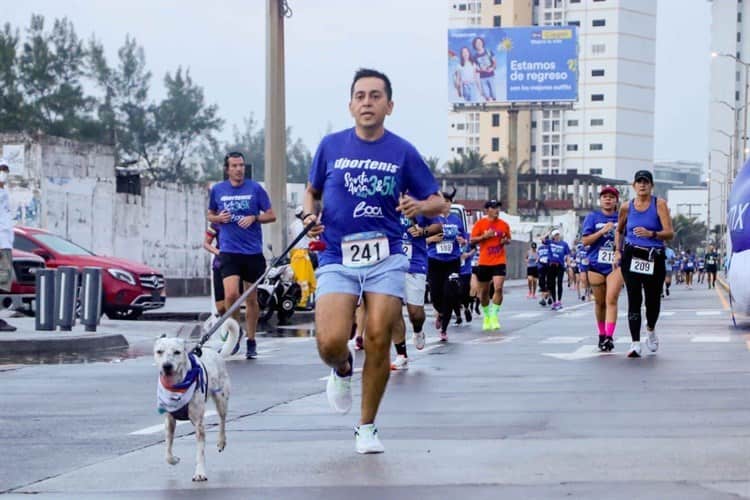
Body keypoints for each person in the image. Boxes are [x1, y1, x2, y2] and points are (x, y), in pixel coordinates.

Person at [303, 68, 444, 454]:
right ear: (350, 105)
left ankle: (367, 427)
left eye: (376, 96)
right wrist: (308, 216)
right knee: (330, 342)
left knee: (380, 335)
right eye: (361, 96)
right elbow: (311, 191)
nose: (367, 102)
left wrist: (420, 204)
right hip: (337, 254)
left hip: (386, 256)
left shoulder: (402, 151)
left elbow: (439, 201)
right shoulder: (331, 146)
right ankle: (343, 368)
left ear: (389, 105)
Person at [207, 151, 277, 360]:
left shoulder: (255, 189)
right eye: (234, 166)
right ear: (227, 169)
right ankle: (234, 335)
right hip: (229, 250)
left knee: (251, 299)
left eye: (241, 165)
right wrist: (219, 218)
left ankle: (252, 339)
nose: (239, 169)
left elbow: (271, 215)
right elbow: (210, 214)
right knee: (231, 296)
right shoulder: (218, 190)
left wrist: (255, 217)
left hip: (252, 252)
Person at [614, 170, 674, 358]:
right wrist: (617, 250)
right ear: (634, 186)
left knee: (652, 300)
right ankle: (634, 343)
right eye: (639, 182)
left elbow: (669, 233)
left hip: (653, 256)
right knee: (634, 298)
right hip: (632, 255)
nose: (642, 185)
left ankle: (650, 329)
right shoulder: (626, 207)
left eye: (645, 182)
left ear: (651, 185)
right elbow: (619, 230)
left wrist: (652, 234)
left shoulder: (659, 204)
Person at [390, 211, 441, 370]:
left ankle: (418, 330)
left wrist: (422, 231)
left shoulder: (418, 204)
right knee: (393, 311)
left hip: (415, 264)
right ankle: (401, 354)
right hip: (391, 265)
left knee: (415, 313)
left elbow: (438, 227)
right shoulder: (385, 202)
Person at [581, 185, 623, 352]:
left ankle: (609, 337)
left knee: (611, 299)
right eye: (605, 196)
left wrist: (620, 251)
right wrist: (602, 231)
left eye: (611, 197)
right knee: (600, 302)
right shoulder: (592, 217)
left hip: (615, 265)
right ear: (600, 200)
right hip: (595, 264)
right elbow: (585, 241)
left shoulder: (622, 217)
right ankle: (601, 334)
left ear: (616, 201)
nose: (608, 199)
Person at [425, 189, 465, 341]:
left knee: (450, 293)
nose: (446, 205)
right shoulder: (431, 219)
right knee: (435, 295)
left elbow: (463, 237)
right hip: (434, 260)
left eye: (448, 202)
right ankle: (440, 313)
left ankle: (444, 329)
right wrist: (431, 239)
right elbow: (420, 237)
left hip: (452, 261)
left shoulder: (456, 220)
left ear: (451, 204)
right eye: (443, 202)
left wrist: (462, 241)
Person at [470, 200, 511, 330]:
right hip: (484, 261)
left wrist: (505, 241)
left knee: (498, 288)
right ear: (487, 210)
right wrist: (484, 236)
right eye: (493, 208)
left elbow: (508, 238)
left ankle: (494, 315)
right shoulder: (480, 224)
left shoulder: (504, 224)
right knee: (484, 293)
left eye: (498, 207)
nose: (496, 210)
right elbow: (472, 240)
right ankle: (487, 316)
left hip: (499, 260)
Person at [289, 206, 316, 309]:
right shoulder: (299, 225)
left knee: (307, 279)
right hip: (301, 254)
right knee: (303, 279)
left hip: (301, 253)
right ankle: (303, 302)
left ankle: (305, 301)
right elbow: (305, 240)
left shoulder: (295, 224)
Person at [0, 161, 16, 332]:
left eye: (5, 171)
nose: (3, 174)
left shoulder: (3, 192)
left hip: (5, 242)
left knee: (3, 281)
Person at [547, 229, 570, 311]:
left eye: (558, 234)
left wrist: (568, 264)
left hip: (560, 265)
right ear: (553, 236)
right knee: (552, 284)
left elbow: (567, 255)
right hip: (551, 265)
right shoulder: (550, 242)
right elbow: (542, 239)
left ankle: (559, 301)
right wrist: (548, 233)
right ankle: (554, 301)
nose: (557, 236)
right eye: (555, 235)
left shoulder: (564, 244)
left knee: (559, 282)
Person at [472, 37, 496, 102]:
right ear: (474, 45)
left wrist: (492, 68)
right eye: (476, 43)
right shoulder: (474, 57)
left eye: (480, 42)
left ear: (482, 43)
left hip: (491, 76)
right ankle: (489, 103)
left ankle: (494, 103)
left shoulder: (488, 51)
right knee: (486, 94)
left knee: (493, 93)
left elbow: (494, 63)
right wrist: (482, 70)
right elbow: (476, 69)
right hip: (482, 78)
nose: (478, 44)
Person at [537, 235, 551, 306]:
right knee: (542, 283)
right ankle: (543, 298)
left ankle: (548, 297)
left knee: (549, 282)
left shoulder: (550, 246)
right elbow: (538, 256)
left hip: (549, 265)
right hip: (541, 266)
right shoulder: (540, 248)